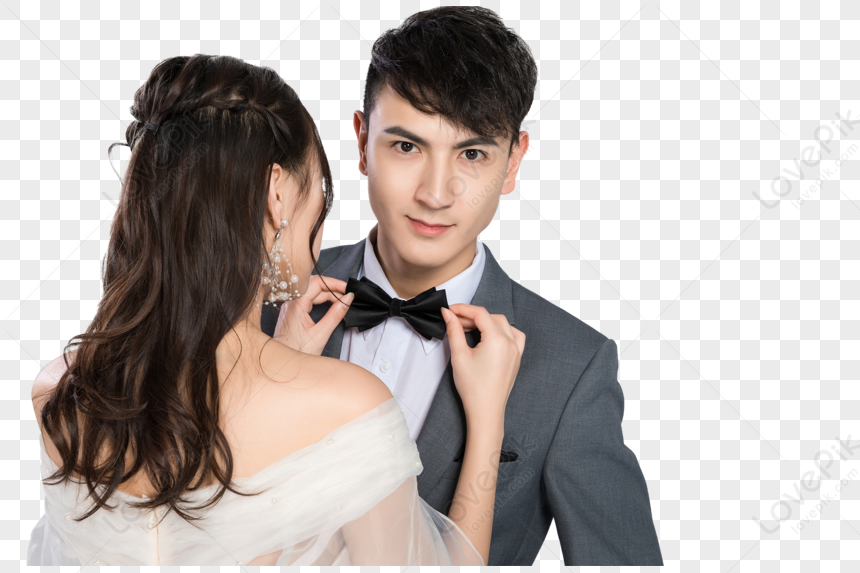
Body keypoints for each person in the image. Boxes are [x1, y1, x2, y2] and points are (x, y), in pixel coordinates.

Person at [26, 53, 525, 566]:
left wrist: (279, 359)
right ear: (277, 194)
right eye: (319, 191)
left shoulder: (58, 392)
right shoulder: (348, 405)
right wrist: (487, 421)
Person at [262, 6, 664, 566]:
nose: (435, 192)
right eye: (407, 147)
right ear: (361, 141)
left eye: (471, 154)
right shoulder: (259, 301)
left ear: (512, 162)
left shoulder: (573, 366)